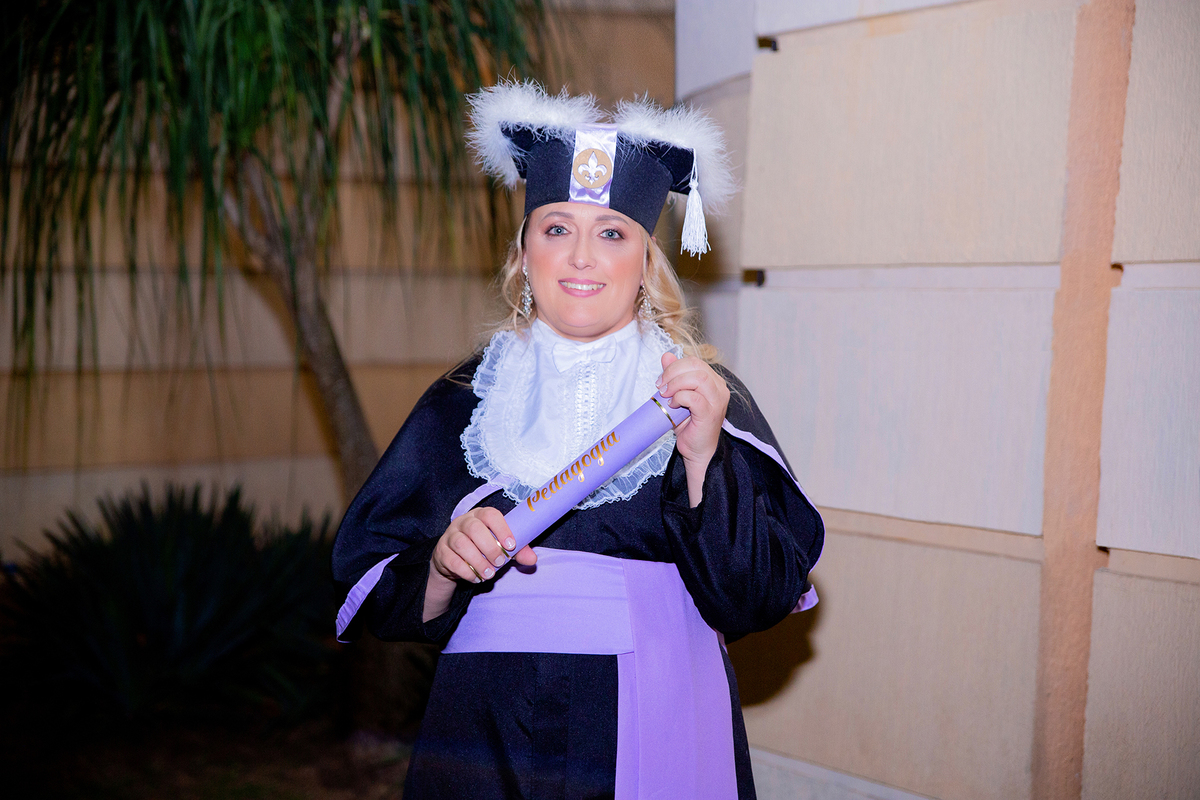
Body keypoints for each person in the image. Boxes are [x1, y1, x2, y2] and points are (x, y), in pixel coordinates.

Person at [332, 81, 824, 800]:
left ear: (647, 259)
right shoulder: (463, 404)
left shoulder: (705, 400)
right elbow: (374, 586)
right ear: (524, 253)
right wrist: (442, 564)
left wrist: (701, 460)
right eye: (557, 228)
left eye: (613, 233)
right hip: (486, 727)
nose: (582, 258)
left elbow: (755, 598)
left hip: (653, 703)